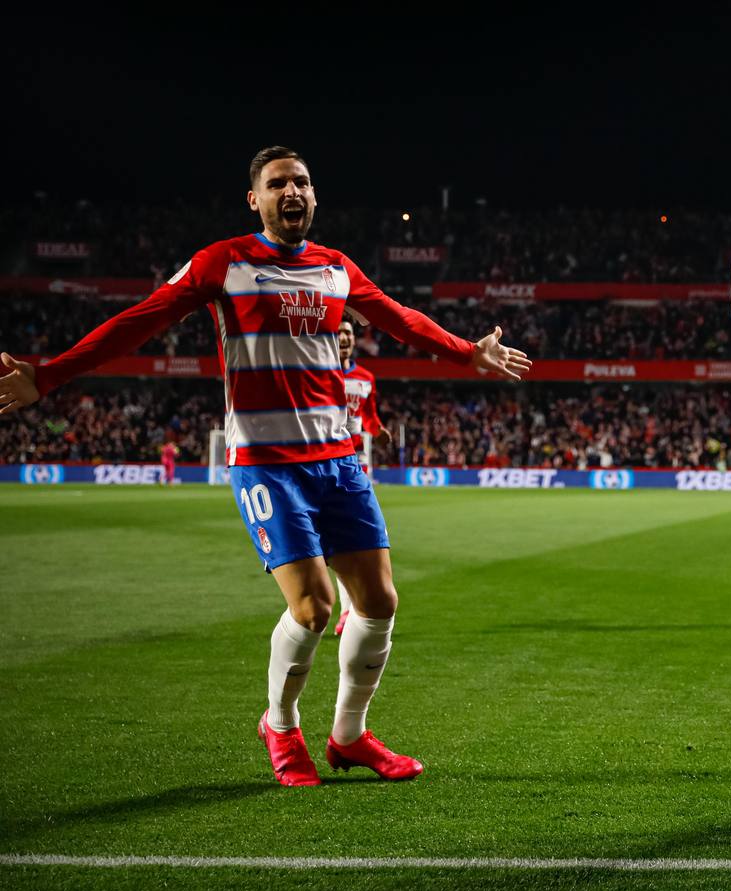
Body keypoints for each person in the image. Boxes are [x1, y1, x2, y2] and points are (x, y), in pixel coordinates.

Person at [0, 146, 531, 787]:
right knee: (313, 608)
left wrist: (465, 352)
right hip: (266, 465)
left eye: (302, 182)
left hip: (338, 461)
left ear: (314, 196)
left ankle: (349, 737)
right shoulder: (221, 264)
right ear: (255, 199)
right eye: (278, 183)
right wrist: (50, 376)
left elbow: (400, 319)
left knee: (380, 600)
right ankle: (280, 726)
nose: (293, 192)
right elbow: (135, 323)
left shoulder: (336, 269)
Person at [334, 318, 392, 636]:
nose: (344, 337)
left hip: (357, 463)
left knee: (356, 538)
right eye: (339, 332)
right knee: (333, 539)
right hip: (324, 460)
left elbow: (368, 416)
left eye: (348, 333)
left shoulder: (365, 378)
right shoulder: (319, 373)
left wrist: (378, 431)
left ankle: (348, 610)